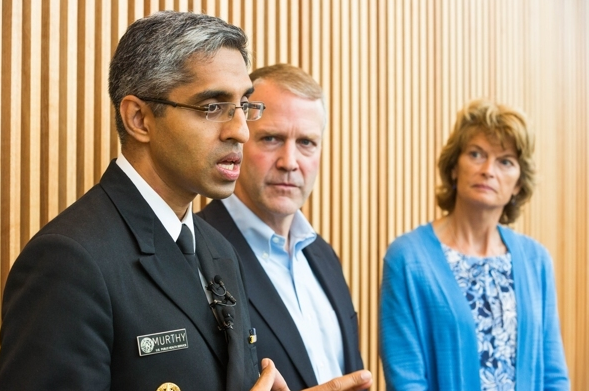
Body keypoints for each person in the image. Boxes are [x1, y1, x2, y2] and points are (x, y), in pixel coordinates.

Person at [0, 11, 372, 391]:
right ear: (139, 119)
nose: (241, 130)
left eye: (244, 105)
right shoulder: (68, 262)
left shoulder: (219, 250)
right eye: (212, 107)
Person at [379, 99, 570, 390]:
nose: (488, 170)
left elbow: (554, 376)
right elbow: (406, 378)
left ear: (518, 183)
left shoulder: (536, 260)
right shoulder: (407, 258)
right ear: (454, 167)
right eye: (476, 154)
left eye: (505, 161)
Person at [198, 64, 364, 390]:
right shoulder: (194, 253)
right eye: (271, 138)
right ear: (240, 139)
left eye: (306, 142)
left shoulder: (323, 256)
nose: (290, 162)